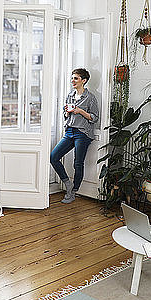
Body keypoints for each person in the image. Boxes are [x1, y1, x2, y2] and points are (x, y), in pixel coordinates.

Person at [50, 68, 99, 204]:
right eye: (72, 78)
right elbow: (66, 114)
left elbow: (95, 117)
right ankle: (68, 184)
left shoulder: (91, 98)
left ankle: (73, 191)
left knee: (78, 163)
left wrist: (80, 111)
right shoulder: (70, 95)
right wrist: (67, 112)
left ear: (84, 81)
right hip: (70, 131)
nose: (73, 81)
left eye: (76, 78)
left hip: (83, 133)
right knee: (53, 157)